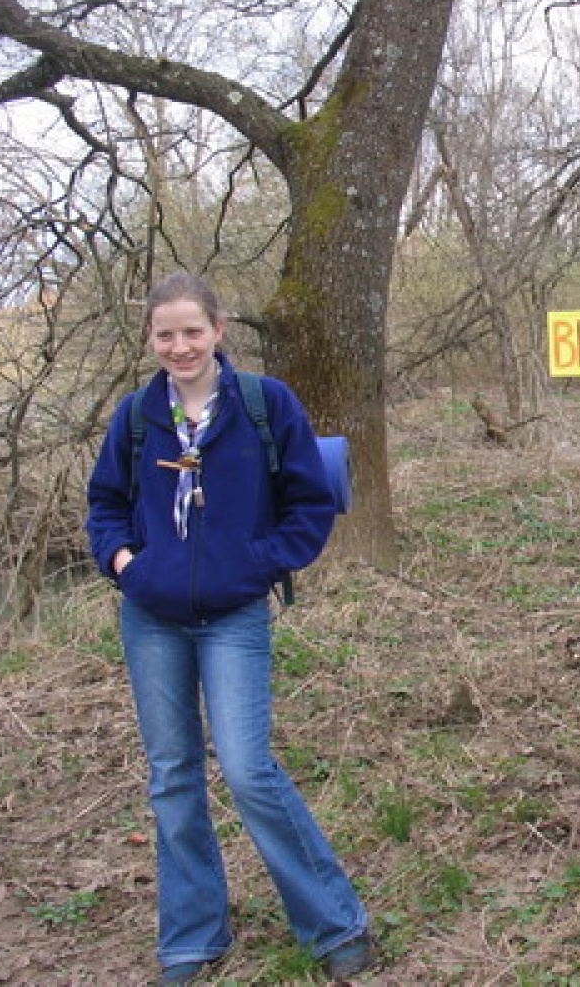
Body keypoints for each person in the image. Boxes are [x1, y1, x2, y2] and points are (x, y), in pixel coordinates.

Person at [86, 274, 375, 983]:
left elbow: (309, 505)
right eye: (165, 334)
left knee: (247, 768)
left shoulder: (263, 405)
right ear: (150, 340)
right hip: (151, 618)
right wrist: (128, 563)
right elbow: (104, 506)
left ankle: (335, 921)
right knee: (173, 774)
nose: (179, 345)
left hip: (233, 616)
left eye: (192, 330)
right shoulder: (135, 417)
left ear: (219, 330)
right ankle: (192, 935)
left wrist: (256, 564)